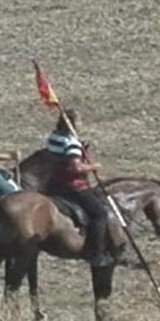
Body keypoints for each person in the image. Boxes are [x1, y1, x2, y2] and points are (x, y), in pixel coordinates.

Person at [46, 109, 113, 267]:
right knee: (100, 214)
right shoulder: (71, 142)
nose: (81, 124)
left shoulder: (54, 137)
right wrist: (93, 166)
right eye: (80, 121)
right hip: (72, 185)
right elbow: (76, 168)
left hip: (54, 183)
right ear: (72, 124)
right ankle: (95, 254)